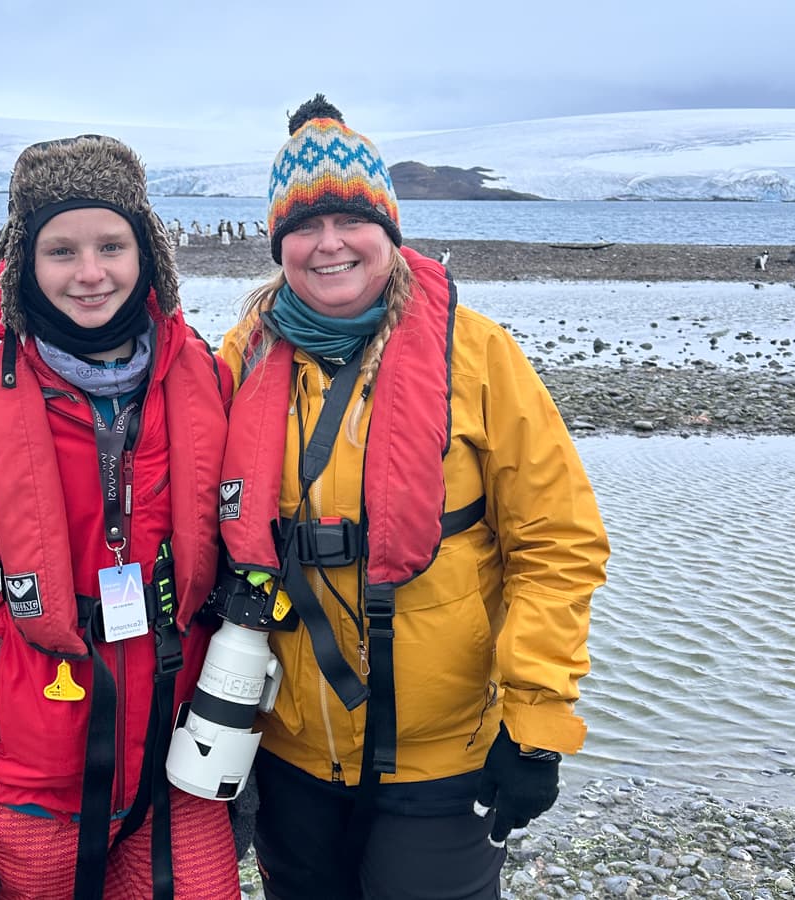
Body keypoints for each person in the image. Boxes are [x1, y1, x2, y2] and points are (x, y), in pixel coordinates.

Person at [215, 95, 610, 899]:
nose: (328, 245)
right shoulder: (242, 359)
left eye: (350, 222)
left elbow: (559, 542)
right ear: (277, 244)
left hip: (442, 756)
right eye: (303, 227)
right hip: (290, 752)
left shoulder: (479, 354)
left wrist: (535, 728)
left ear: (389, 233)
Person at [0, 134, 241, 900]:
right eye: (61, 250)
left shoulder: (212, 381)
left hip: (179, 767)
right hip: (30, 783)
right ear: (24, 266)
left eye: (112, 245)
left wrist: (249, 754)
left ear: (147, 252)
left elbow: (253, 575)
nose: (90, 274)